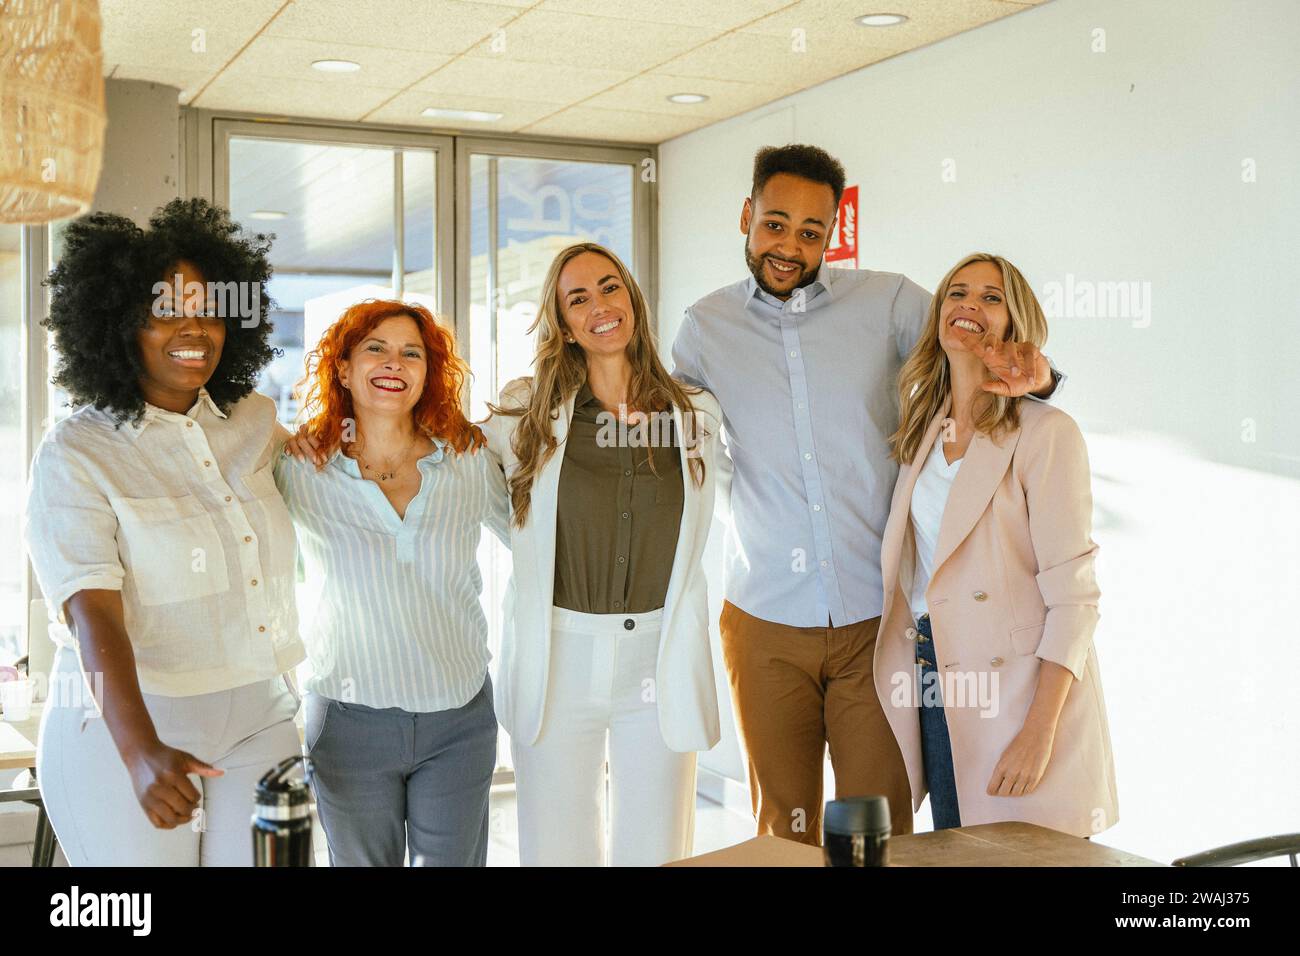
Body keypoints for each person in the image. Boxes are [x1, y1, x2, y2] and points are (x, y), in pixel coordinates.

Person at [671, 144, 1064, 843]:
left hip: (876, 624)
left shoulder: (889, 302)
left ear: (834, 233)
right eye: (775, 224)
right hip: (764, 622)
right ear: (746, 216)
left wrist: (1042, 379)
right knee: (783, 831)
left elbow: (971, 345)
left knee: (882, 830)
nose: (790, 245)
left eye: (811, 231)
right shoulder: (704, 329)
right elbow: (673, 440)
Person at [23, 198, 304, 866]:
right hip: (128, 722)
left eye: (208, 309)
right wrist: (139, 749)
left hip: (261, 716)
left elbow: (340, 489)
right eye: (165, 311)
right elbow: (95, 617)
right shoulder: (76, 452)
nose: (195, 329)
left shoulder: (255, 420)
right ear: (119, 325)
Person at [482, 241, 723, 866]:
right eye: (578, 299)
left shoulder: (693, 412)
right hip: (560, 653)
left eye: (610, 288)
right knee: (556, 848)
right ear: (562, 324)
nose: (600, 307)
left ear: (632, 299)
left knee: (658, 848)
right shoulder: (524, 409)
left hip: (657, 652)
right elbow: (473, 492)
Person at [875, 252, 1117, 836]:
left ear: (1014, 324)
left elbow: (1075, 600)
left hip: (1024, 693)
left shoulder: (1046, 433)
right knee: (957, 842)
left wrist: (1039, 734)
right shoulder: (922, 427)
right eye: (958, 293)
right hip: (936, 671)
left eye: (991, 297)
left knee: (1024, 850)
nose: (969, 306)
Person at [275, 299, 508, 866]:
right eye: (375, 348)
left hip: (458, 716)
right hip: (350, 718)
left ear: (428, 374)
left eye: (411, 353)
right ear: (345, 368)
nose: (393, 362)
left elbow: (538, 537)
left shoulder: (468, 461)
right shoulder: (300, 468)